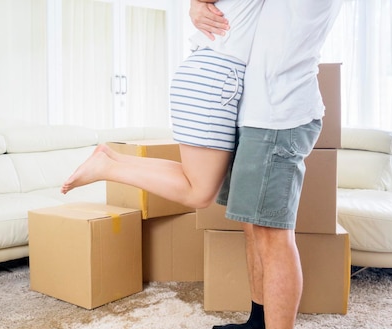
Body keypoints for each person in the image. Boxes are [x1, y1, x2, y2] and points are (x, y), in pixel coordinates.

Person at [191, 0, 342, 329]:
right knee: (253, 224)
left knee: (274, 236)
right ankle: (259, 321)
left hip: (279, 116)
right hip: (252, 113)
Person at [60, 0, 264, 210]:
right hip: (217, 78)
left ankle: (111, 160)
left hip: (208, 73)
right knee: (199, 194)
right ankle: (107, 168)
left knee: (194, 181)